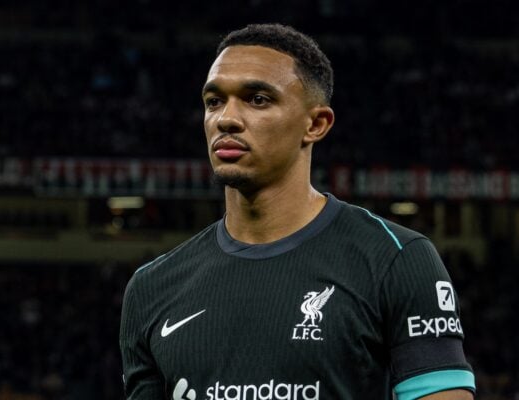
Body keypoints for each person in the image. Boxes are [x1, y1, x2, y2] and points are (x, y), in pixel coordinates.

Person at [120, 23, 475, 400]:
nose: (226, 118)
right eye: (214, 101)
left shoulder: (397, 259)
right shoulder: (152, 288)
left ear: (316, 124)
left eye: (257, 99)